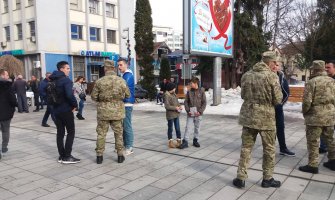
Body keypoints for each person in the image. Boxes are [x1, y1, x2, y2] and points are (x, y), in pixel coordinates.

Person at [233, 51, 283, 189]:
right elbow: (278, 99)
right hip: (266, 118)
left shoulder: (247, 75)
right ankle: (267, 179)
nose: (276, 65)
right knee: (269, 149)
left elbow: (243, 95)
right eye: (275, 62)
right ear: (269, 62)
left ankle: (240, 178)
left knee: (246, 148)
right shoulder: (272, 77)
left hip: (249, 117)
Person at [299, 60, 335, 174]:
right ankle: (333, 161)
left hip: (315, 116)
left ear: (315, 69)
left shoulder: (312, 82)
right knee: (330, 139)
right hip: (329, 115)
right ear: (323, 69)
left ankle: (313, 165)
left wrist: (305, 112)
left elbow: (307, 102)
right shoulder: (332, 81)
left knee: (313, 141)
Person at [91, 60, 130, 164]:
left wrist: (102, 99)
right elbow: (128, 95)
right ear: (114, 68)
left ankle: (99, 157)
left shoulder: (99, 81)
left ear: (105, 68)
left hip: (103, 112)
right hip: (117, 112)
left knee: (101, 134)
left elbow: (93, 97)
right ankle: (120, 156)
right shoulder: (121, 81)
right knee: (118, 134)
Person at [50, 61, 80, 164]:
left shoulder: (52, 79)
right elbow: (69, 95)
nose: (69, 70)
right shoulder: (66, 80)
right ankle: (67, 156)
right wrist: (75, 105)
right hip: (66, 110)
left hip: (56, 110)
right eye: (67, 68)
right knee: (71, 132)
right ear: (61, 69)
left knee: (60, 133)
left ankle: (61, 155)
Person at [271, 62, 295, 156]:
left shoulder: (282, 78)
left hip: (278, 108)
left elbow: (286, 93)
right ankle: (270, 148)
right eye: (273, 64)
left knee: (280, 127)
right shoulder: (265, 77)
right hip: (267, 108)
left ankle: (283, 148)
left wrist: (280, 104)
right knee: (269, 129)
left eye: (277, 65)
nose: (275, 67)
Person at [179, 77, 206, 149]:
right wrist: (188, 111)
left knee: (197, 127)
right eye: (190, 83)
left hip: (198, 114)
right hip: (190, 113)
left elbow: (204, 103)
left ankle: (195, 140)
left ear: (195, 83)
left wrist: (200, 112)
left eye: (191, 83)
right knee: (188, 127)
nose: (190, 85)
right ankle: (185, 141)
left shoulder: (202, 91)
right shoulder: (189, 91)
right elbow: (186, 102)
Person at [117, 58, 135, 155]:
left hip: (127, 104)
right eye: (118, 65)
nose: (119, 67)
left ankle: (129, 147)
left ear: (126, 65)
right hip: (124, 103)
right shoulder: (125, 75)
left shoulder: (127, 76)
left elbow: (122, 90)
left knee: (127, 126)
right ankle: (125, 145)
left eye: (121, 65)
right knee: (123, 126)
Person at [0, 69, 17, 158]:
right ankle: (4, 147)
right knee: (5, 131)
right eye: (6, 75)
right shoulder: (7, 86)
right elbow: (13, 100)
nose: (8, 77)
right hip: (6, 114)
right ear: (2, 75)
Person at [319, 60, 335, 154]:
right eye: (325, 67)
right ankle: (323, 147)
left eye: (328, 67)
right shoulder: (325, 79)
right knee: (324, 128)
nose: (326, 69)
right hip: (326, 110)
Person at [164, 82, 182, 148]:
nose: (175, 89)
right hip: (170, 115)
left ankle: (179, 141)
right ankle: (170, 142)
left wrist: (179, 106)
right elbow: (167, 106)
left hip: (176, 114)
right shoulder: (166, 95)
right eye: (174, 88)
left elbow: (177, 102)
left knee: (177, 128)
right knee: (170, 128)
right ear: (171, 88)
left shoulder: (174, 94)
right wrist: (175, 108)